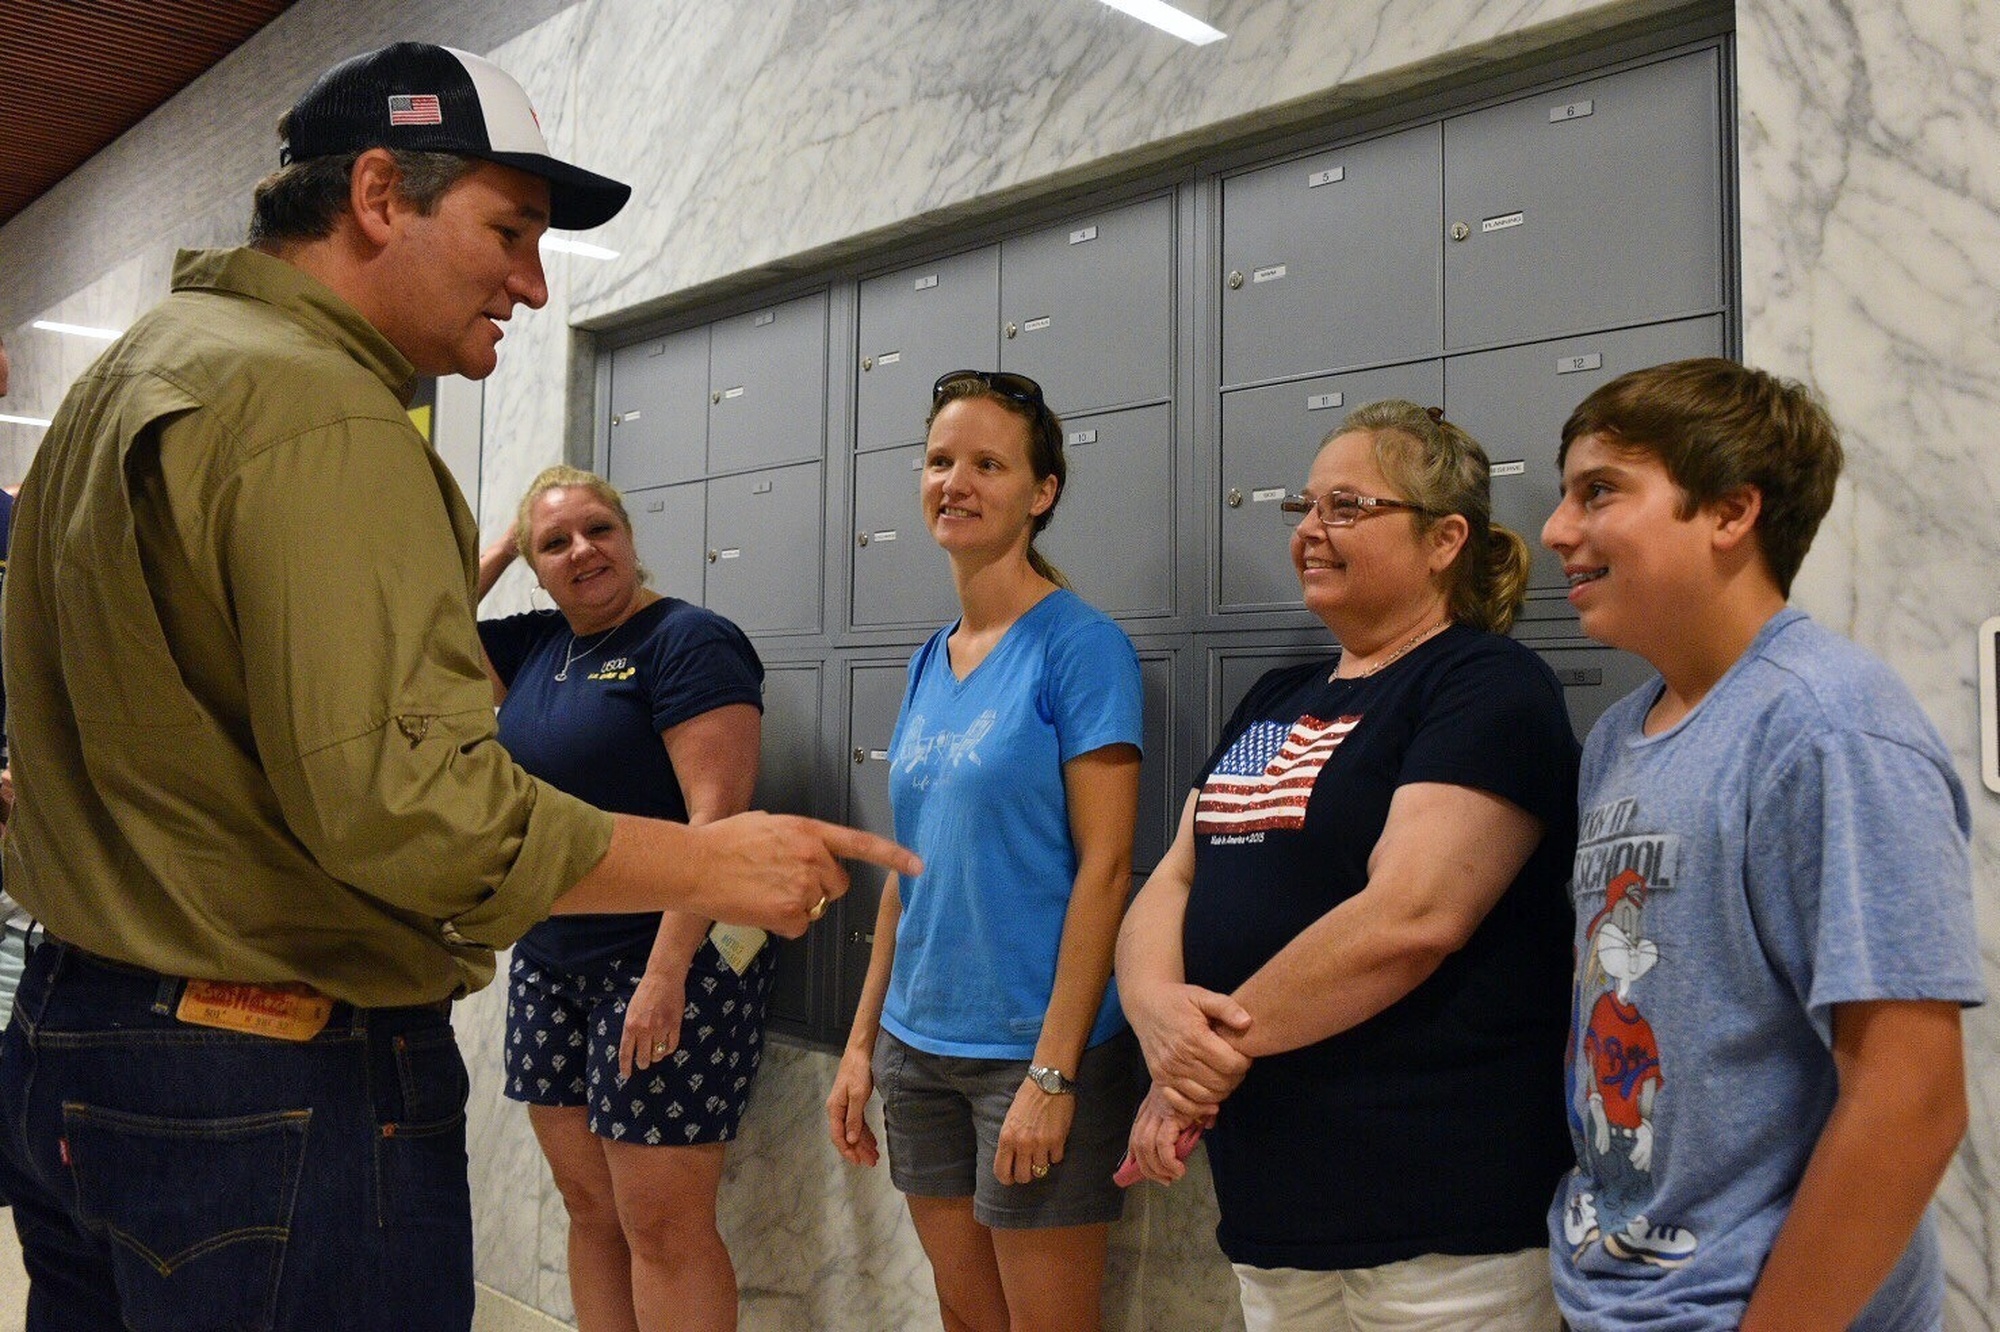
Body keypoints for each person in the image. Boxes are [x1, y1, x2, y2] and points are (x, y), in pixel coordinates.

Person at [0, 43, 914, 1332]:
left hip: (80, 1039)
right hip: (264, 1082)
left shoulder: (128, 378)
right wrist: (714, 867)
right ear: (380, 194)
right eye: (510, 231)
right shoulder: (319, 410)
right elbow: (407, 806)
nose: (535, 286)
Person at [1539, 358, 1981, 1331]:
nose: (1555, 530)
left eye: (1598, 491)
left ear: (1729, 513)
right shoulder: (1618, 735)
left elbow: (1908, 1099)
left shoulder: (1828, 724)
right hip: (1619, 1290)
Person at [1116, 400, 1578, 1330]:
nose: (1310, 532)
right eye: (1305, 506)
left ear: (1445, 538)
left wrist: (1202, 1059)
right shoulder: (1278, 698)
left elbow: (1412, 917)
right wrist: (1154, 1011)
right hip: (1277, 1211)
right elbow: (1175, 873)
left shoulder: (1484, 684)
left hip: (1439, 1222)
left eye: (1347, 507)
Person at [826, 370, 1145, 1331]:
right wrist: (859, 1047)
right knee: (966, 1319)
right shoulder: (932, 656)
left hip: (1031, 1052)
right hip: (918, 1048)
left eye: (987, 464)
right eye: (939, 461)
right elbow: (905, 871)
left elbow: (1108, 869)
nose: (955, 482)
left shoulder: (1081, 649)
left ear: (1040, 492)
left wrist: (1052, 1077)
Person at [477, 465, 772, 1332]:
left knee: (662, 1223)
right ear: (534, 565)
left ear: (631, 535)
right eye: (555, 542)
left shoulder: (687, 641)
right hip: (550, 960)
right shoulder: (536, 645)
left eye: (599, 528)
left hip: (665, 963)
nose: (583, 551)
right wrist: (502, 543)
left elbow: (715, 823)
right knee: (589, 1206)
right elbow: (413, 634)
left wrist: (665, 973)